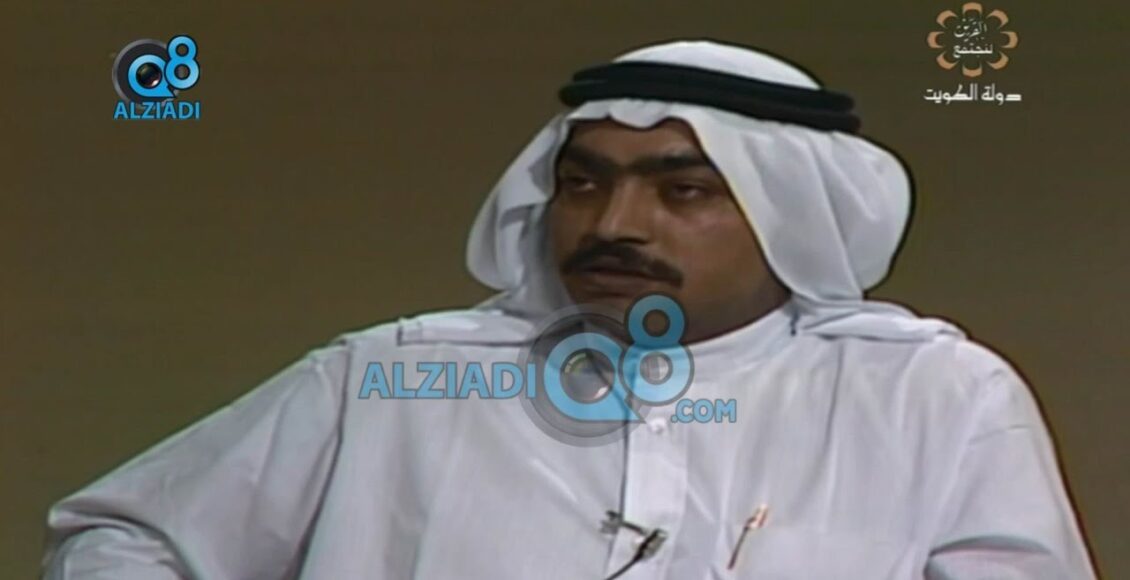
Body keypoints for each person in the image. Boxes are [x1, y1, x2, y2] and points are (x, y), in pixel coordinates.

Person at [42, 39, 1096, 579]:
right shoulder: (392, 377)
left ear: (788, 211)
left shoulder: (927, 395)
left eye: (683, 191)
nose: (613, 224)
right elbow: (121, 539)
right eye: (583, 184)